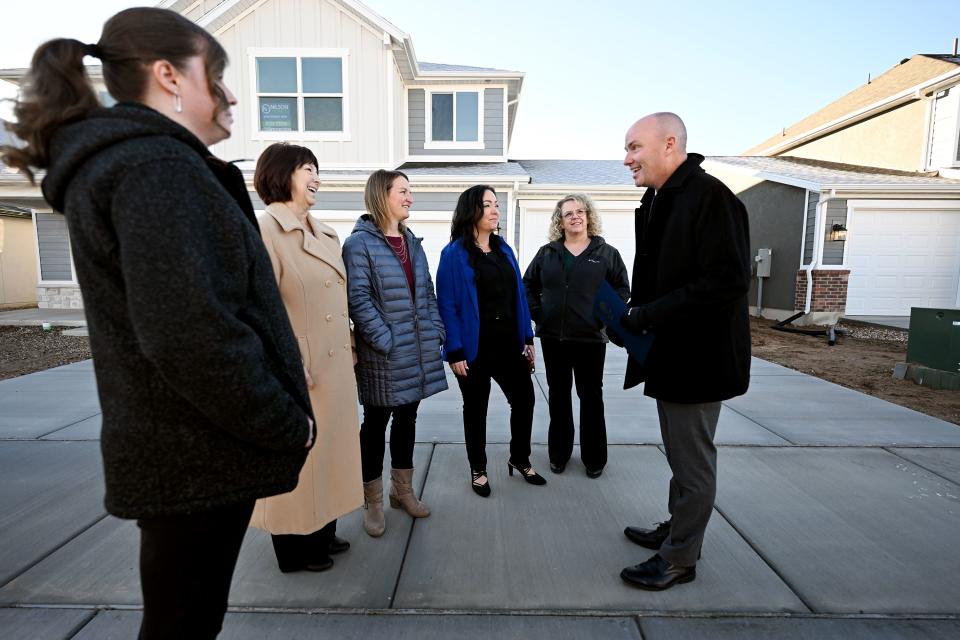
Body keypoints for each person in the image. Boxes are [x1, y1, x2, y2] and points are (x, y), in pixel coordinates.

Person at [0, 8, 314, 637]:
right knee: (182, 626)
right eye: (216, 74)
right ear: (169, 75)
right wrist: (285, 422)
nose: (230, 94)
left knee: (186, 621)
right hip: (193, 453)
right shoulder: (154, 169)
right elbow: (188, 333)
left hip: (192, 449)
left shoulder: (160, 164)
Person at [617, 113, 751, 590]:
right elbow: (663, 277)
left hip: (700, 359)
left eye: (634, 147)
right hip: (670, 354)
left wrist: (649, 315)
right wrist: (631, 319)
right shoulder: (660, 199)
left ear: (669, 143)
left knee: (693, 462)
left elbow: (728, 280)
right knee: (680, 455)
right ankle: (677, 528)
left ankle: (679, 558)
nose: (627, 157)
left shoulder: (710, 198)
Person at [250, 143, 363, 572]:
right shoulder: (265, 230)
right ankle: (293, 552)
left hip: (333, 370)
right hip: (298, 371)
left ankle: (323, 531)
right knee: (298, 459)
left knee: (330, 455)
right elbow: (260, 308)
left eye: (317, 169)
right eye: (307, 168)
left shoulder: (326, 232)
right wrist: (287, 363)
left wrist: (351, 347)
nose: (316, 177)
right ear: (282, 174)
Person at [342, 170, 447, 536]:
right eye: (403, 191)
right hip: (384, 356)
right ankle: (372, 501)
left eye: (410, 191)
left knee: (407, 420)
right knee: (375, 425)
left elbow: (428, 294)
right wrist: (386, 340)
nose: (410, 198)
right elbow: (358, 300)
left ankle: (401, 491)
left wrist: (436, 330)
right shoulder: (359, 245)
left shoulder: (412, 243)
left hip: (416, 352)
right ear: (382, 195)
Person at [436, 184, 545, 498]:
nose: (495, 210)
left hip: (509, 344)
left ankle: (519, 458)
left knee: (525, 401)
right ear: (472, 210)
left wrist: (527, 338)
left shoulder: (503, 249)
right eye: (488, 204)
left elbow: (519, 298)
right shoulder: (453, 254)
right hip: (474, 349)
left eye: (497, 204)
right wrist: (454, 350)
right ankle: (478, 468)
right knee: (476, 409)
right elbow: (447, 305)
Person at [523, 194, 629, 478]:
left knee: (591, 398)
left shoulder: (606, 253)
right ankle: (559, 454)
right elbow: (527, 286)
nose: (575, 216)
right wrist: (539, 313)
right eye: (568, 213)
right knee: (558, 397)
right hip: (554, 338)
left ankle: (594, 459)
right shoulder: (548, 253)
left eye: (580, 211)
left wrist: (602, 316)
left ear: (588, 216)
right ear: (560, 220)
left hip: (591, 339)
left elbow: (622, 290)